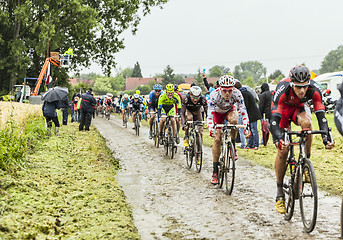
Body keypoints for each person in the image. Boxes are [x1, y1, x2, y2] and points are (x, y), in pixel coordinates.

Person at [270, 65, 334, 214]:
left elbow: (321, 116)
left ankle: (305, 162)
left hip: (299, 109)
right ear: (292, 83)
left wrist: (326, 137)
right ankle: (279, 193)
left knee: (308, 124)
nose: (302, 91)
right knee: (283, 148)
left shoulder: (315, 89)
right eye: (298, 87)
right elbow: (274, 119)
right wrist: (279, 138)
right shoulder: (283, 88)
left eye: (305, 87)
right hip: (282, 113)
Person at [207, 75, 250, 184]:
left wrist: (246, 128)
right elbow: (209, 116)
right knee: (217, 139)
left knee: (235, 120)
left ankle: (233, 145)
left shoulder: (237, 94)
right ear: (220, 88)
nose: (227, 93)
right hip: (217, 113)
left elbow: (244, 111)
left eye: (230, 90)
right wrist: (211, 128)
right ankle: (215, 171)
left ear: (233, 89)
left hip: (229, 111)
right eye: (225, 90)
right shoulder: (214, 95)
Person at [235, 81, 261, 150]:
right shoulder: (244, 91)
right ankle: (250, 145)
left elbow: (245, 105)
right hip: (250, 114)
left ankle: (255, 145)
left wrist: (238, 111)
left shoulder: (244, 93)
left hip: (253, 114)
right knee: (251, 129)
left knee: (254, 130)